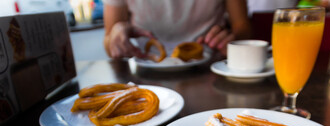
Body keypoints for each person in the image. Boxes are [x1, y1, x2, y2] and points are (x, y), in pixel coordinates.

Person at [102, 0, 251, 59]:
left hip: (210, 66)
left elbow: (243, 28)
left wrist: (232, 38)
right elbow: (109, 45)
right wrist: (117, 32)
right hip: (145, 71)